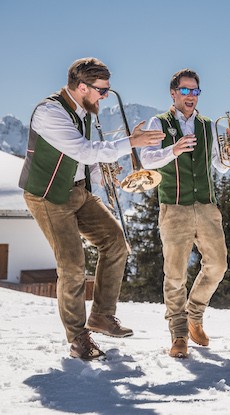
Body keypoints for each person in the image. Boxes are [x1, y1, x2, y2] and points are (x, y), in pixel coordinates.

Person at [18, 57, 165, 360]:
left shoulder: (83, 108)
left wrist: (99, 175)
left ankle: (101, 316)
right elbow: (83, 149)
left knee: (116, 244)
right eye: (102, 90)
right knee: (72, 265)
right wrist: (131, 143)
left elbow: (81, 158)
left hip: (77, 191)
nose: (106, 96)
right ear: (82, 87)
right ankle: (77, 337)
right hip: (48, 196)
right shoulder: (50, 112)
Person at [141, 69, 230, 359]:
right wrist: (174, 149)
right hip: (175, 207)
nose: (190, 96)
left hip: (207, 206)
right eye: (185, 91)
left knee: (218, 265)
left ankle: (194, 315)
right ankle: (179, 334)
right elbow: (146, 158)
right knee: (175, 274)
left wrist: (229, 155)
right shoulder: (160, 122)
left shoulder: (207, 125)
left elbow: (219, 166)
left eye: (195, 91)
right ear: (173, 93)